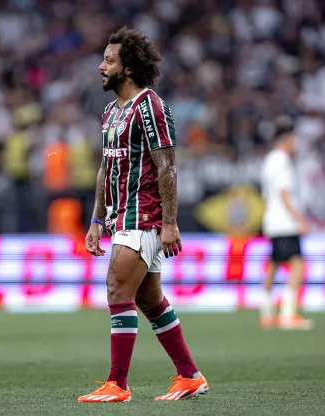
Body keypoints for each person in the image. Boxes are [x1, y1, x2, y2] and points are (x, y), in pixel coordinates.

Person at [78, 27, 208, 403]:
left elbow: (166, 167)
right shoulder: (110, 111)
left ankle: (116, 384)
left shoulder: (149, 106)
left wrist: (169, 223)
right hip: (120, 218)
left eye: (109, 60)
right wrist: (96, 220)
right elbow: (107, 168)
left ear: (129, 68)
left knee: (118, 290)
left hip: (143, 216)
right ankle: (190, 376)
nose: (101, 66)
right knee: (149, 300)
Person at [258, 117, 314, 331]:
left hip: (272, 220)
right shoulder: (282, 160)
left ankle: (267, 311)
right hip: (284, 222)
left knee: (275, 263)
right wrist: (301, 220)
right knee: (297, 264)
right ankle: (288, 313)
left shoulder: (269, 159)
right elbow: (284, 193)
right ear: (288, 140)